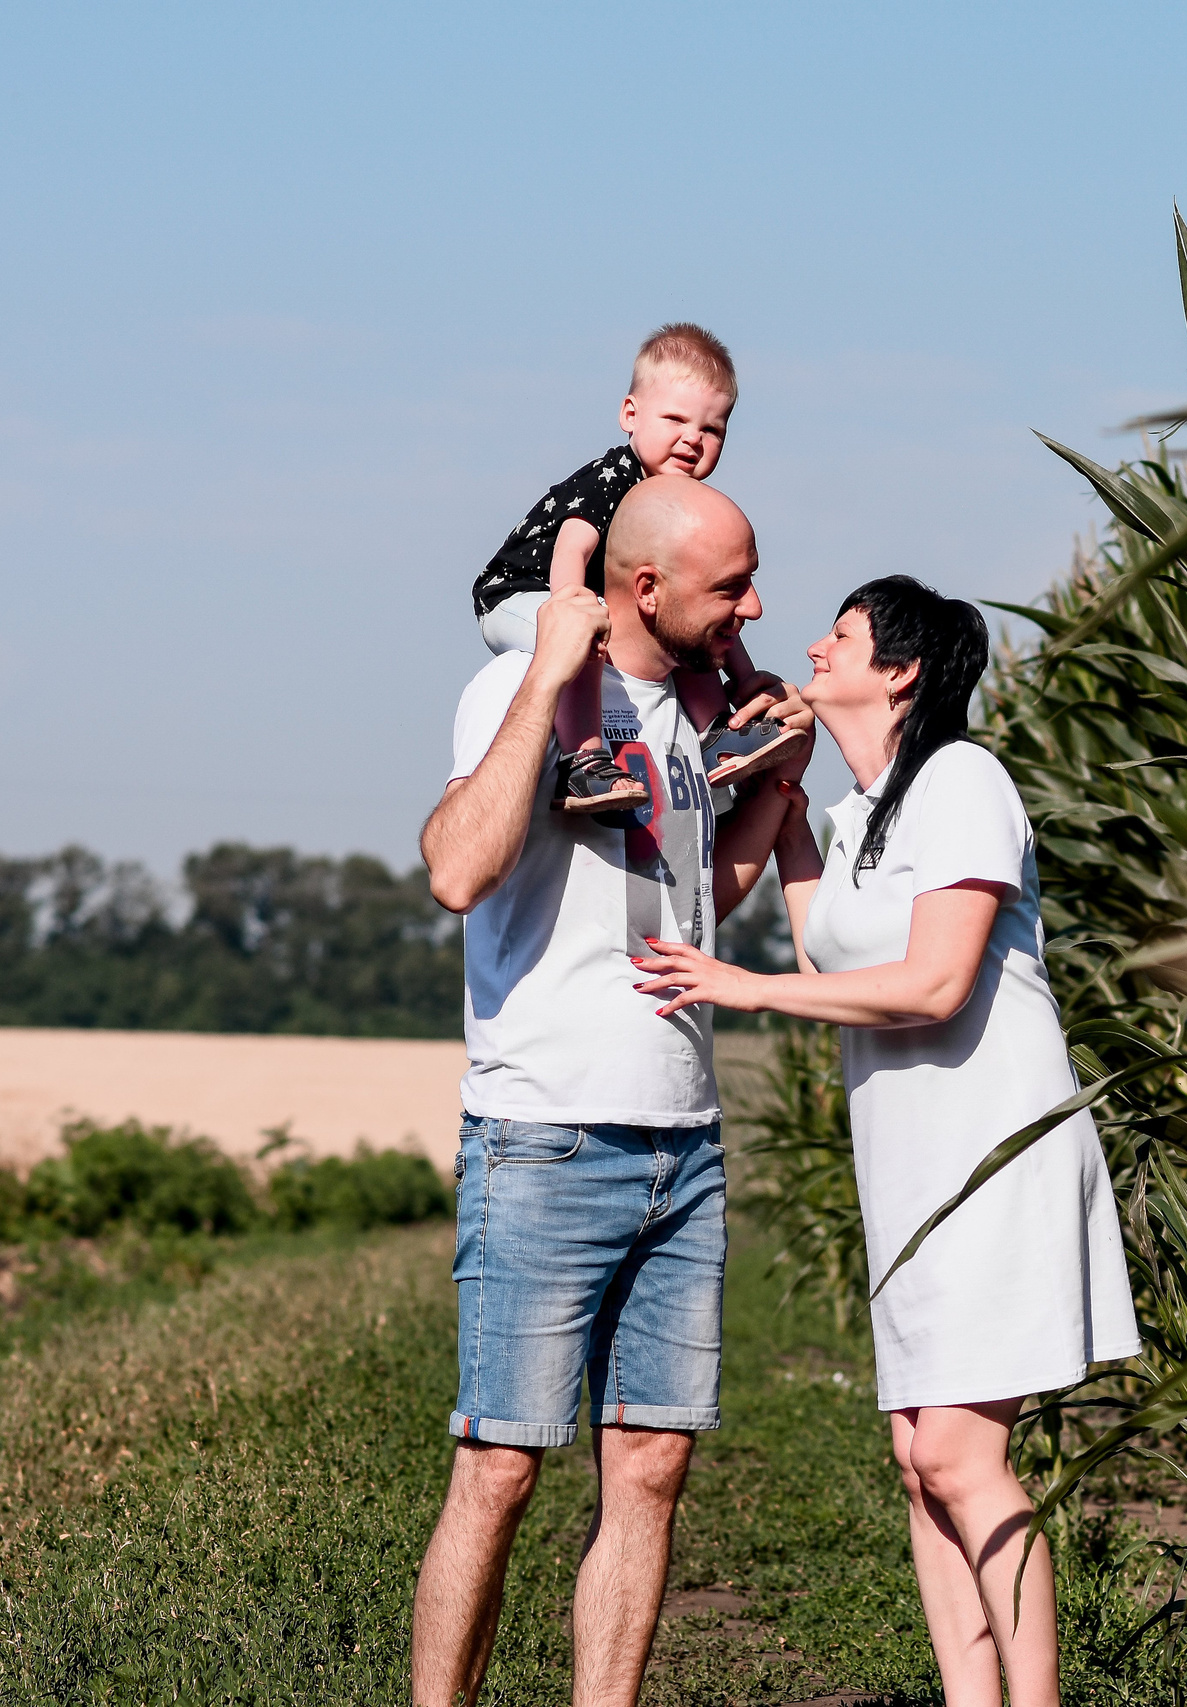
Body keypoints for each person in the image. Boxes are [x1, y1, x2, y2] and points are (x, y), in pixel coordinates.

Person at [632, 576, 1141, 1707]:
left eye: (843, 633)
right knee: (919, 1464)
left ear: (901, 670)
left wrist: (737, 988)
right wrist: (794, 807)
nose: (812, 644)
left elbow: (936, 984)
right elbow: (830, 964)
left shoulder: (964, 781)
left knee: (963, 1458)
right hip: (910, 1167)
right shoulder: (864, 813)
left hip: (990, 1155)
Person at [411, 475, 812, 1707]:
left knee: (648, 1471)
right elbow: (457, 873)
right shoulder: (524, 691)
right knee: (501, 1472)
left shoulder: (702, 718)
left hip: (684, 1143)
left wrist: (780, 783)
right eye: (731, 584)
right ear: (645, 589)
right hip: (547, 1137)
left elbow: (698, 909)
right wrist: (544, 673)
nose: (755, 604)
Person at [469, 322, 784, 817]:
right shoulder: (613, 477)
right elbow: (571, 547)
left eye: (712, 429)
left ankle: (720, 733)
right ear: (630, 415)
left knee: (682, 626)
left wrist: (746, 682)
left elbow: (706, 601)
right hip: (518, 594)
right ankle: (584, 763)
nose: (692, 439)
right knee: (587, 632)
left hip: (578, 597)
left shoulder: (678, 505)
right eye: (675, 419)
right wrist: (571, 616)